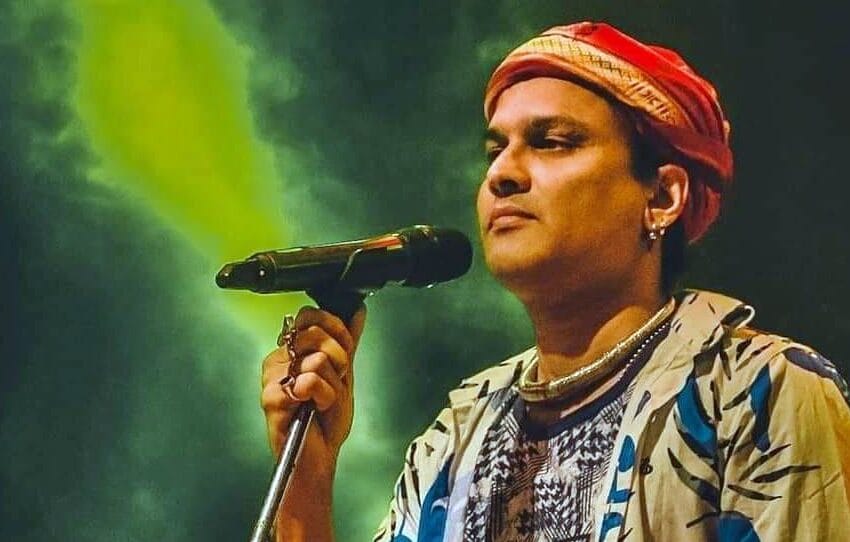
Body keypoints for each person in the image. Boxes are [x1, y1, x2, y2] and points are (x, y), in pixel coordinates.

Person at [260, 22, 850, 542]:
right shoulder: (456, 437)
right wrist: (307, 478)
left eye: (551, 142)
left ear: (663, 196)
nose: (502, 173)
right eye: (495, 150)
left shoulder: (758, 393)